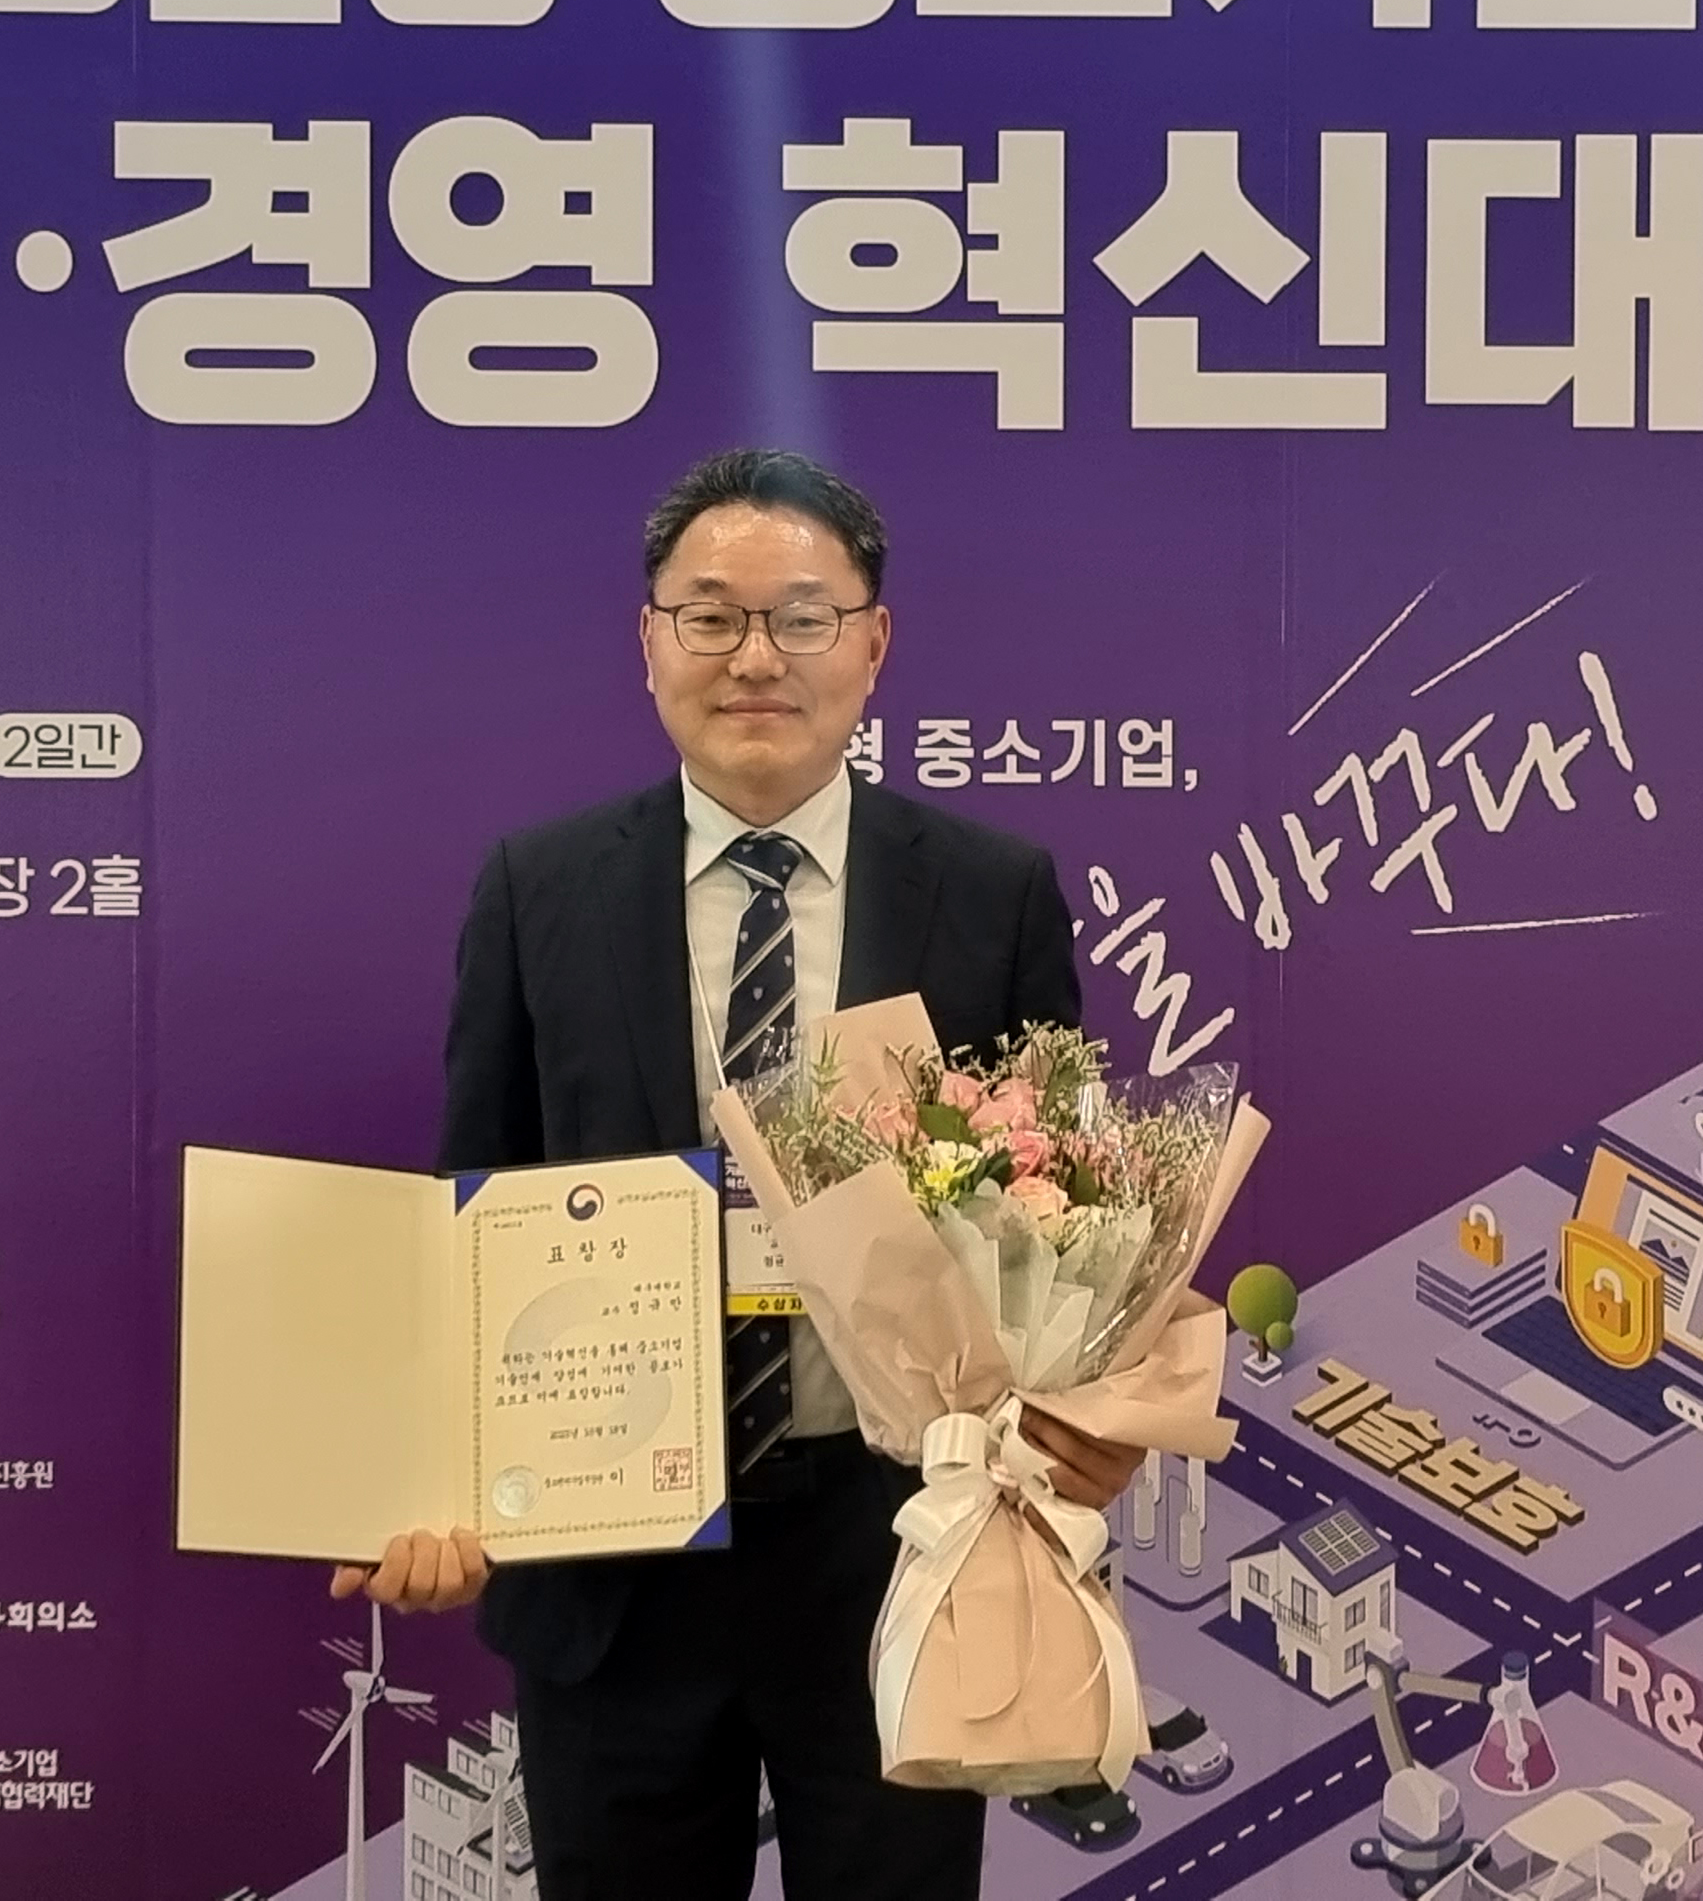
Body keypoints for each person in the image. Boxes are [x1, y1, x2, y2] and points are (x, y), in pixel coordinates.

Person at [330, 448, 1142, 1901]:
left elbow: (1059, 1218)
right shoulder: (540, 887)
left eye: (803, 616)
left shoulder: (989, 889)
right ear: (648, 641)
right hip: (609, 1561)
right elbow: (472, 1208)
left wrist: (1090, 1420)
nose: (756, 657)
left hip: (895, 1547)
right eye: (709, 616)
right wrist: (427, 1484)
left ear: (873, 643)